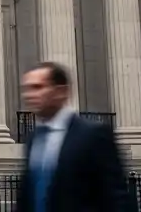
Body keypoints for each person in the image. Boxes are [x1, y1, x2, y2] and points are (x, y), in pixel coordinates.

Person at [11, 61, 128, 212]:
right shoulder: (34, 138)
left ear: (61, 91)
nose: (29, 95)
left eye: (38, 87)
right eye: (27, 89)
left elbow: (117, 199)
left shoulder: (93, 134)